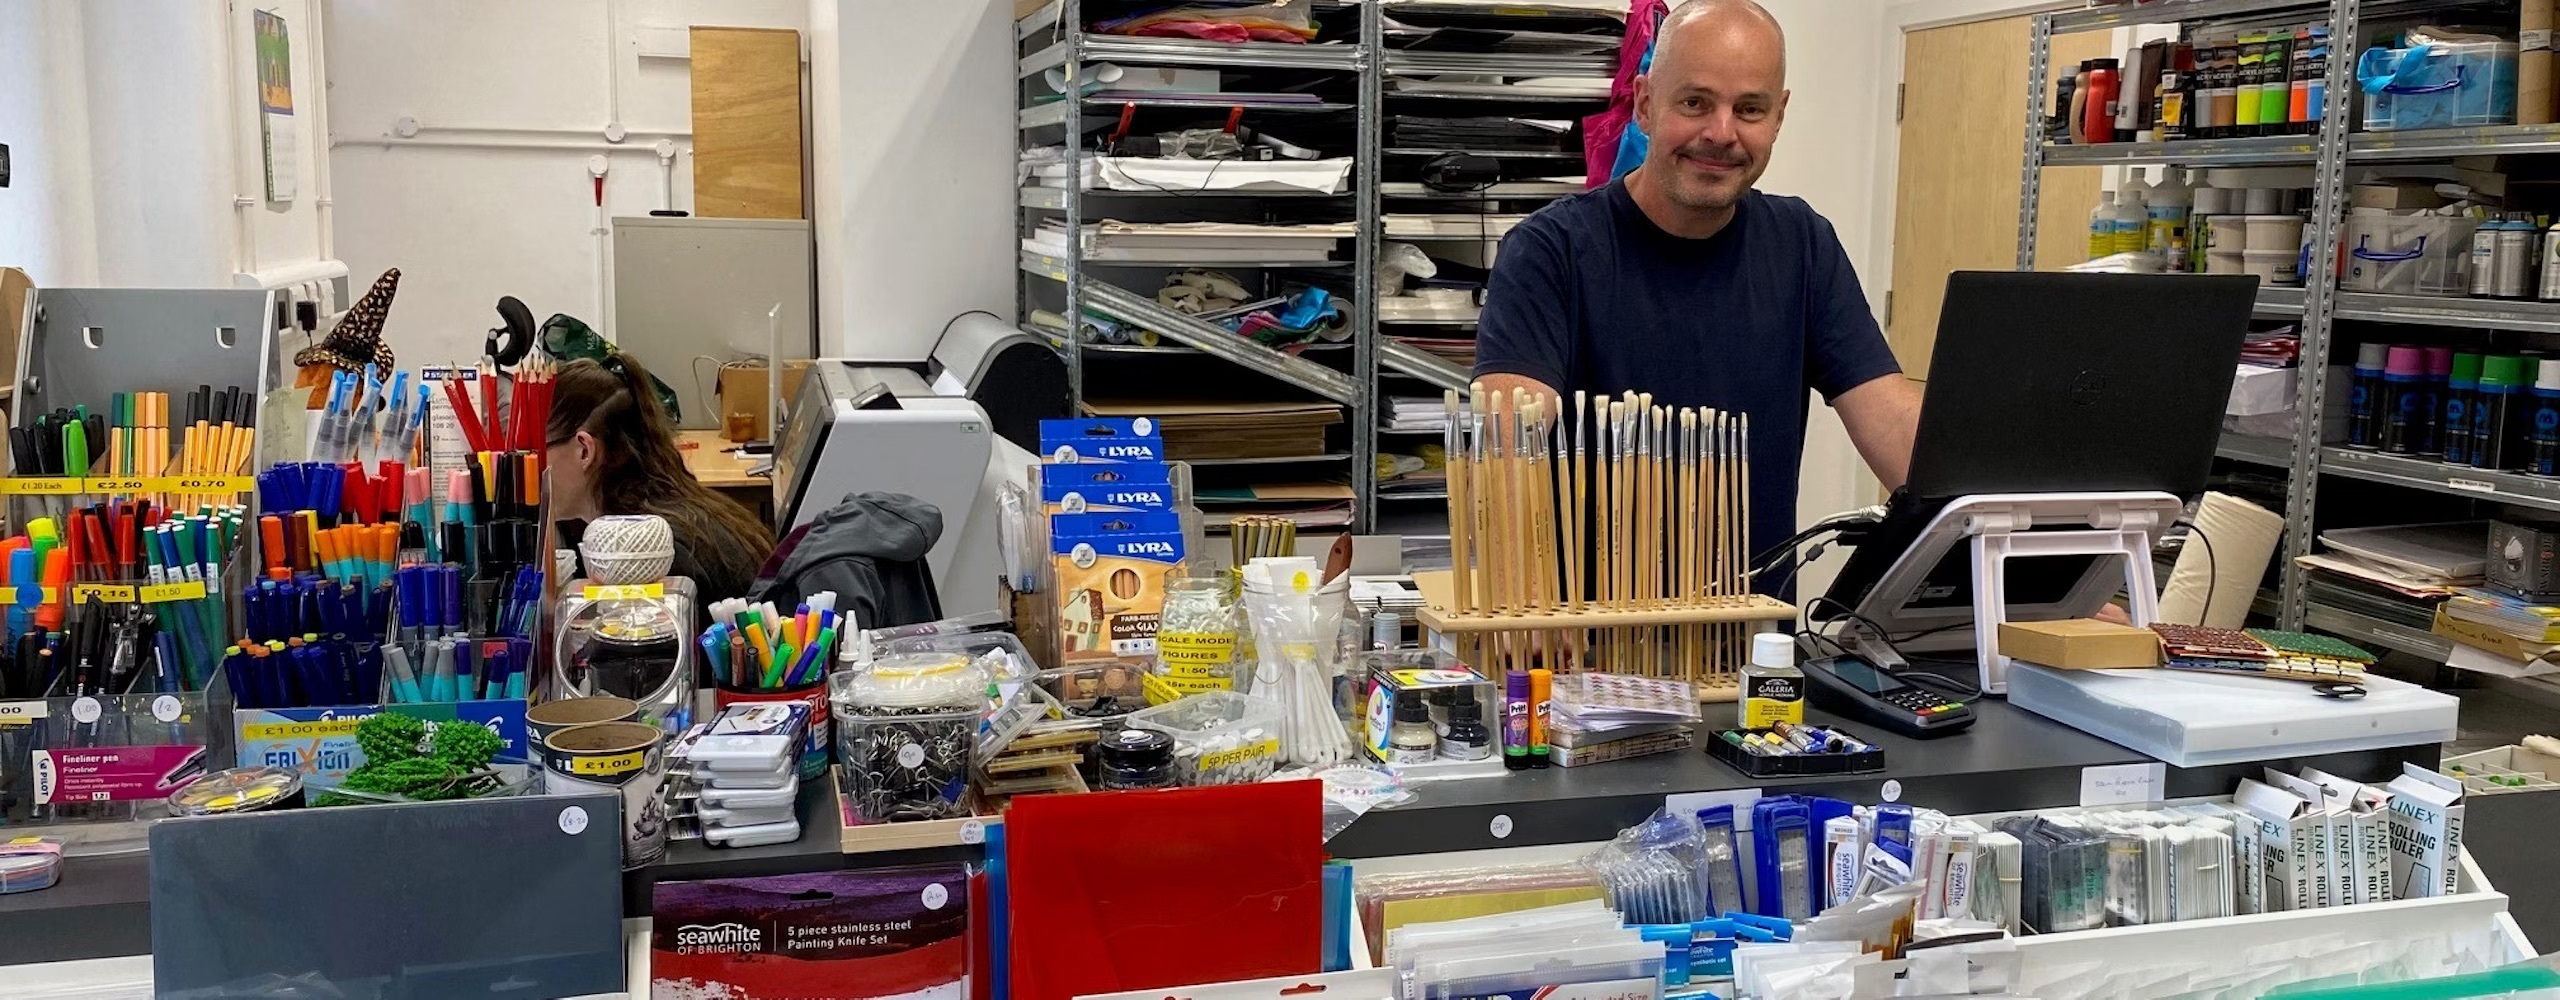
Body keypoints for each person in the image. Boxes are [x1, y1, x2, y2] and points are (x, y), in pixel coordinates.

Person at [1472, 0, 1922, 575]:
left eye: (1750, 109)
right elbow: (1508, 458)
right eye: (1695, 102)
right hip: (1582, 647)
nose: (1721, 133)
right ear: (1644, 103)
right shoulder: (1550, 250)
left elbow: (1892, 426)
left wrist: (2002, 507)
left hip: (1749, 647)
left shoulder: (1802, 244)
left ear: (1779, 116)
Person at [545, 355, 776, 601]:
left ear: (584, 450)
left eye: (535, 451)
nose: (526, 469)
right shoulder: (673, 511)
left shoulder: (647, 556)